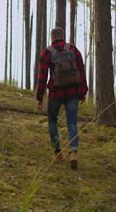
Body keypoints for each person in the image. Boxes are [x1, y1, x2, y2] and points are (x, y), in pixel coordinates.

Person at [36, 27, 88, 170]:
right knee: (72, 122)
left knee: (52, 121)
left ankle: (58, 152)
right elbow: (81, 70)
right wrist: (83, 92)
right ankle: (73, 151)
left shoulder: (47, 52)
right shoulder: (73, 49)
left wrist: (39, 97)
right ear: (62, 36)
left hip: (55, 94)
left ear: (51, 37)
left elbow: (42, 77)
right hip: (73, 93)